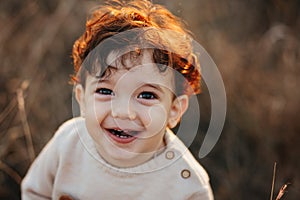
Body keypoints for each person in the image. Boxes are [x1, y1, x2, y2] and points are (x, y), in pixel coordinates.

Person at [21, 0, 214, 199]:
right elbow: (35, 192)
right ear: (82, 100)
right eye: (105, 91)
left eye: (146, 95)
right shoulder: (68, 142)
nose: (122, 112)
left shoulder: (188, 186)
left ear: (174, 111)